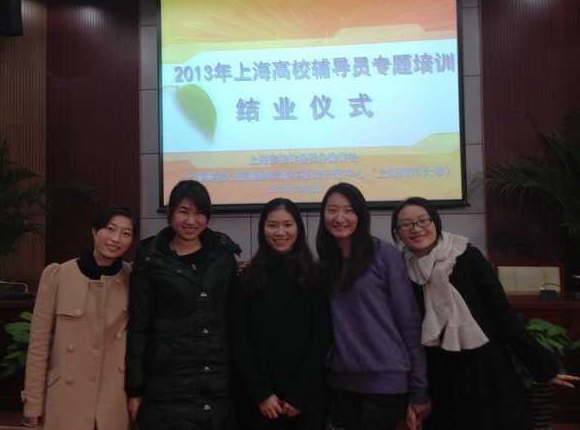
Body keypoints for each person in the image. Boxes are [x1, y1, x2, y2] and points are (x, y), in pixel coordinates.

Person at [391, 196, 579, 430]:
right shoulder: (399, 270)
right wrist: (415, 392)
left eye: (423, 221)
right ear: (398, 233)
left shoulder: (468, 257)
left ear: (435, 222)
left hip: (486, 368)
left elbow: (503, 315)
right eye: (406, 225)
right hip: (438, 376)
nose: (416, 229)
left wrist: (543, 366)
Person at [125, 180, 241, 429]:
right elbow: (138, 326)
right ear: (170, 212)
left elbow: (235, 318)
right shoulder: (150, 259)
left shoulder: (222, 256)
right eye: (183, 211)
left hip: (217, 382)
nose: (191, 220)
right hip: (167, 384)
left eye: (199, 213)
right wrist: (135, 389)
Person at [316, 183, 431, 430]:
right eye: (332, 210)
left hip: (386, 380)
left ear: (361, 215)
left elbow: (409, 322)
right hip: (341, 381)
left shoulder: (383, 254)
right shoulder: (323, 264)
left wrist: (418, 388)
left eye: (349, 210)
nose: (339, 218)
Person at [22, 204, 138, 430]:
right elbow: (39, 344)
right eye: (110, 229)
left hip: (113, 399)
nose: (116, 239)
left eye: (125, 233)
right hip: (66, 398)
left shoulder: (133, 278)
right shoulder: (59, 275)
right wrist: (34, 402)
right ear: (94, 231)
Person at [229, 198, 332, 430]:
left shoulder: (314, 277)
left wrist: (299, 393)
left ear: (298, 229)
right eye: (272, 225)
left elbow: (321, 337)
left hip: (304, 399)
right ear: (263, 230)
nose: (280, 232)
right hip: (257, 400)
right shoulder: (246, 279)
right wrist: (261, 393)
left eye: (288, 225)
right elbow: (238, 339)